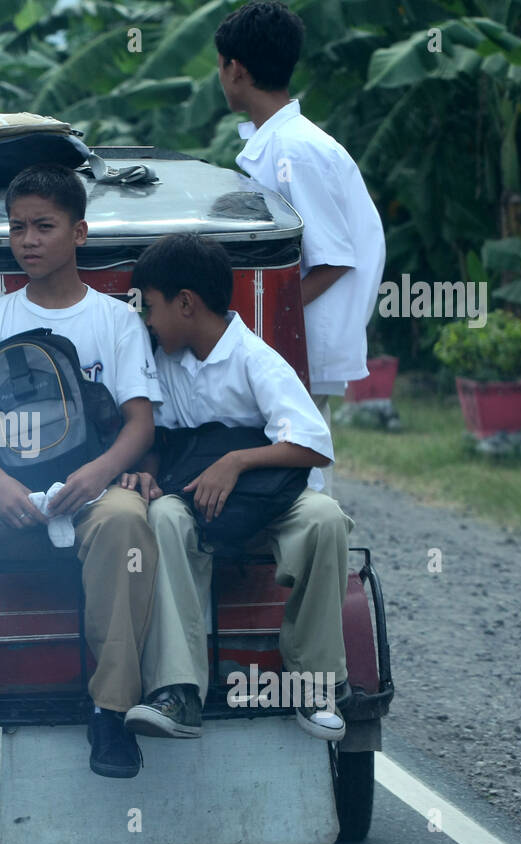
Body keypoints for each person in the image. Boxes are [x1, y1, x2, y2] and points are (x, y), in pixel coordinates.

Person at [0, 163, 162, 779]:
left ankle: (110, 710)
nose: (27, 240)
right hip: (5, 487)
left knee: (128, 522)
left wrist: (101, 474)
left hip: (91, 488)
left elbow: (140, 423)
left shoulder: (115, 321)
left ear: (79, 233)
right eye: (18, 227)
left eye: (44, 227)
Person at [119, 234, 354, 742]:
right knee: (161, 516)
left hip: (270, 498)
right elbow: (158, 435)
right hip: (196, 501)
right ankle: (179, 692)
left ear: (186, 303)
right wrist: (150, 474)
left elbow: (313, 445)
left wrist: (237, 461)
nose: (147, 320)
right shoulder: (163, 362)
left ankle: (314, 685)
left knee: (327, 519)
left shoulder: (254, 358)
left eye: (152, 307)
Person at [214, 0, 385, 495]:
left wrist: (256, 314)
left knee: (302, 474)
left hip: (303, 338)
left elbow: (332, 259)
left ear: (236, 69)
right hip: (293, 336)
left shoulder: (296, 150)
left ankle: (309, 568)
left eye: (220, 66)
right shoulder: (279, 142)